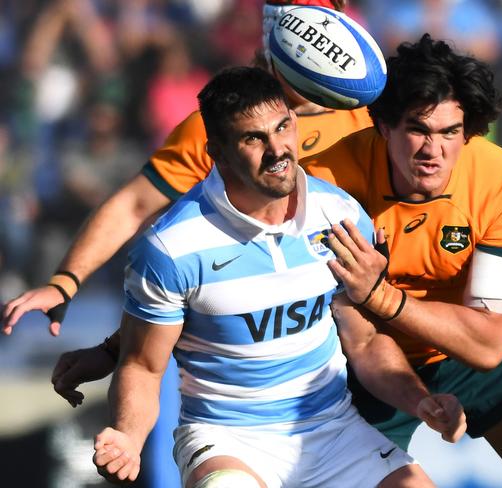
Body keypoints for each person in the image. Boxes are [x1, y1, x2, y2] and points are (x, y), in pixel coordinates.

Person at [92, 65, 464, 488]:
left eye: (283, 127)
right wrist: (128, 435)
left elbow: (363, 341)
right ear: (217, 150)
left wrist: (422, 402)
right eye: (254, 138)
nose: (277, 150)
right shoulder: (170, 246)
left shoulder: (340, 215)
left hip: (334, 431)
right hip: (227, 440)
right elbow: (142, 366)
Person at [300, 34, 502, 488]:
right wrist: (417, 395)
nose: (434, 151)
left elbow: (488, 344)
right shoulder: (327, 185)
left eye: (450, 132)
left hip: (478, 355)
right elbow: (361, 336)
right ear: (383, 125)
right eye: (418, 129)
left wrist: (382, 295)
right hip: (369, 371)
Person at [1, 0, 371, 338]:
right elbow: (134, 205)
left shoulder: (374, 118)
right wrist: (65, 283)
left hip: (361, 326)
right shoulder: (222, 126)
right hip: (252, 335)